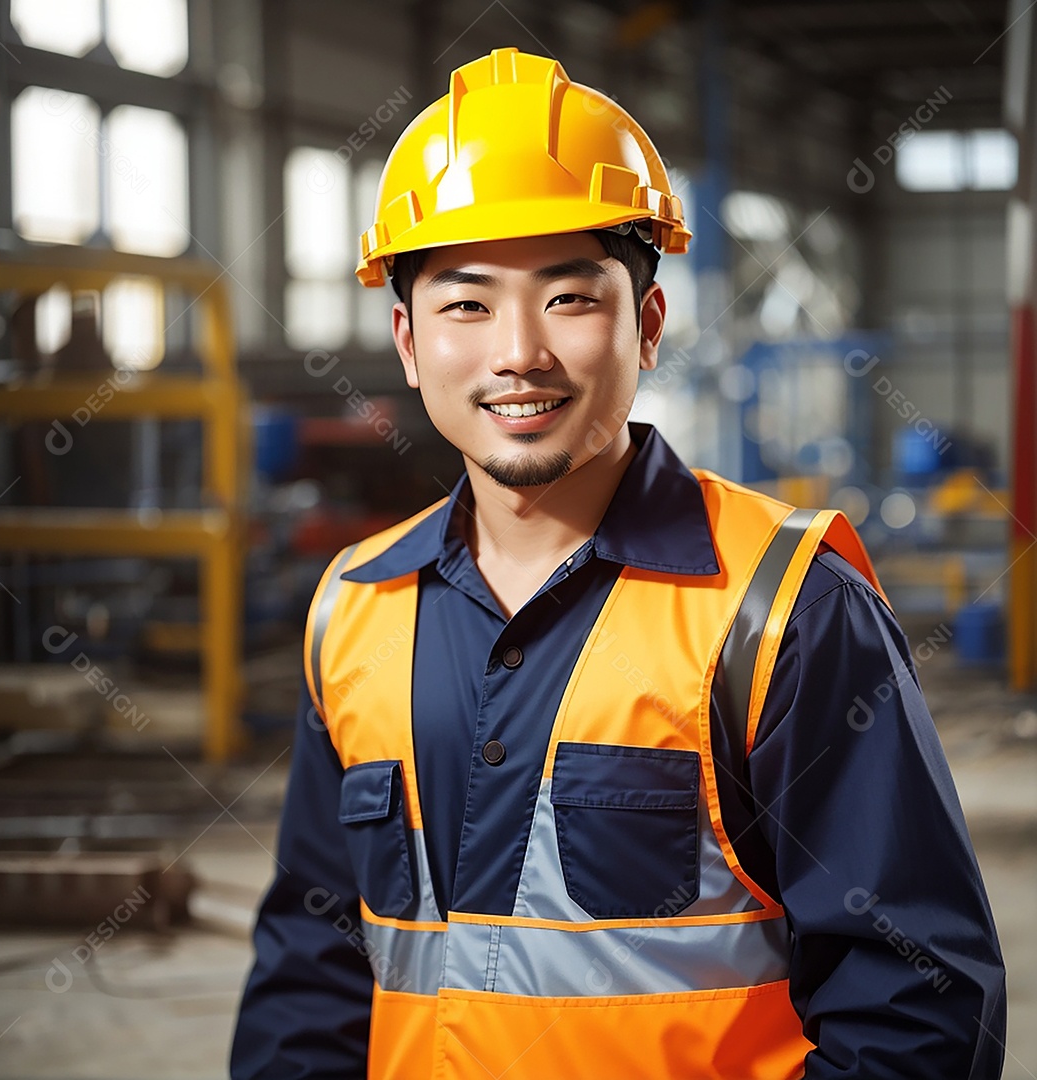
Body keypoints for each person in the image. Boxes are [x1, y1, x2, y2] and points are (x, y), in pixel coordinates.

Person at [231, 47, 1006, 1079]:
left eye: (569, 298)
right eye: (466, 304)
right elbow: (310, 979)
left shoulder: (781, 609)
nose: (519, 351)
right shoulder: (355, 607)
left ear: (645, 326)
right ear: (409, 344)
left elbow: (916, 1013)